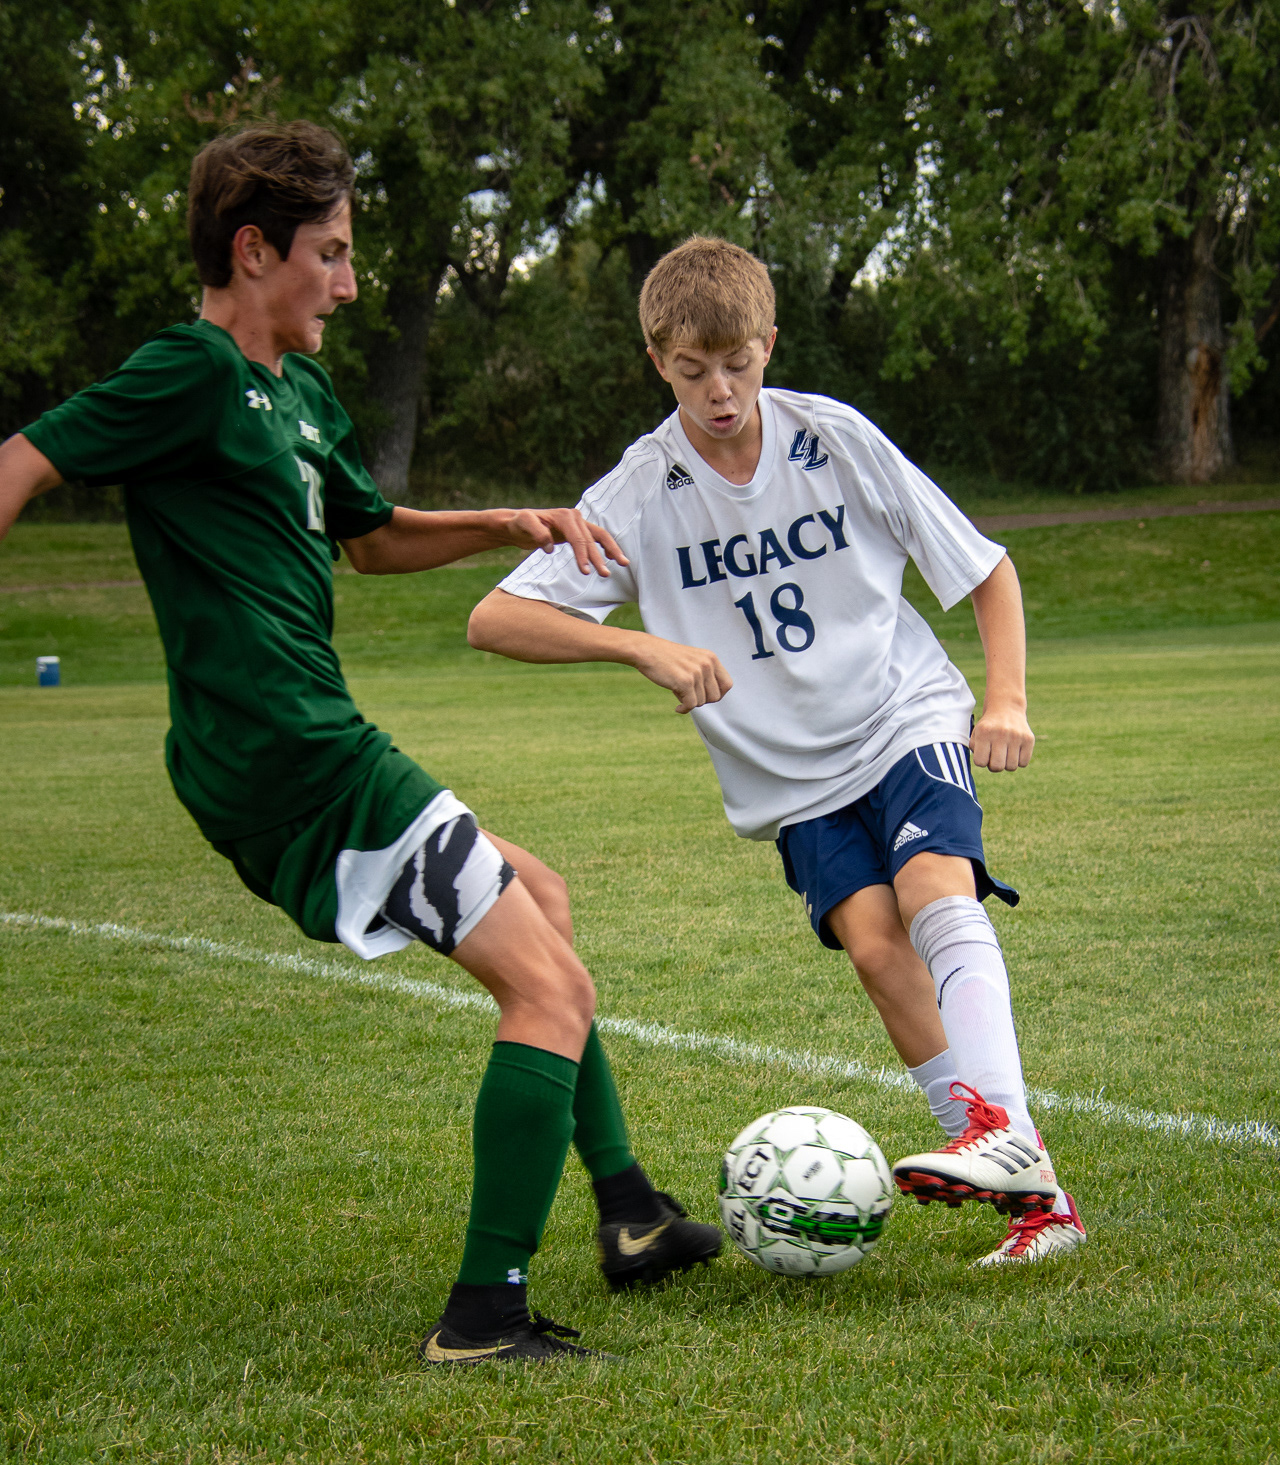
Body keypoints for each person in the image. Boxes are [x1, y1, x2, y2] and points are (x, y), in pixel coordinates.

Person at [0, 123, 721, 1364]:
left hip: (301, 745)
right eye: (328, 254)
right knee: (547, 990)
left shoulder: (301, 393)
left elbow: (371, 537)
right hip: (288, 751)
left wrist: (508, 521)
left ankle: (630, 1212)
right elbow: (19, 461)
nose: (345, 282)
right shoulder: (187, 372)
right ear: (252, 249)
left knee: (541, 901)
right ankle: (484, 1316)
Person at [468, 235, 1086, 1268]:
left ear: (768, 344)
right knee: (877, 949)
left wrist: (1007, 700)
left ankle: (1000, 1137)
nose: (718, 391)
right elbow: (495, 618)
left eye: (737, 364)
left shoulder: (833, 438)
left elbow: (985, 569)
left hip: (900, 714)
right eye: (691, 370)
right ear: (657, 362)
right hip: (791, 779)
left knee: (933, 889)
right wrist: (639, 645)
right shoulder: (640, 489)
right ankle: (1044, 1208)